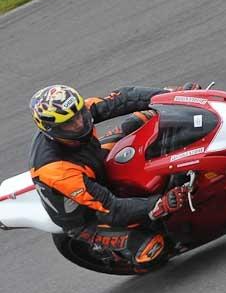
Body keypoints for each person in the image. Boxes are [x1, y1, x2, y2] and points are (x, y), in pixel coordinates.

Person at [29, 84, 195, 272]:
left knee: (142, 118)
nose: (79, 124)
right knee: (153, 249)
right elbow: (111, 208)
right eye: (69, 124)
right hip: (89, 216)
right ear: (52, 130)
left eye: (80, 115)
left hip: (95, 166)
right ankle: (124, 251)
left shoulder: (76, 111)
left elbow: (124, 98)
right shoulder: (57, 170)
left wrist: (173, 96)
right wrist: (159, 203)